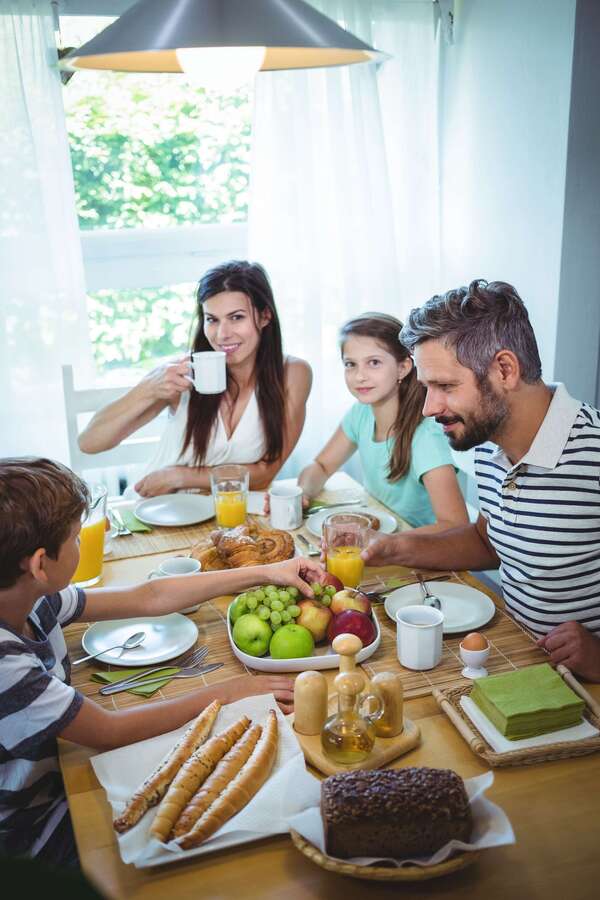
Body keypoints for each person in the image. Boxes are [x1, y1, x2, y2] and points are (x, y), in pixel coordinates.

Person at [0, 457, 325, 864]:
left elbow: (149, 596)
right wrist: (230, 692)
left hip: (57, 776)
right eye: (76, 538)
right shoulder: (7, 665)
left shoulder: (33, 599)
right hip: (32, 829)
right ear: (39, 564)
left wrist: (267, 572)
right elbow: (110, 730)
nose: (81, 544)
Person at [362, 280, 600, 682]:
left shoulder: (593, 456)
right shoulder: (488, 442)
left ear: (505, 370)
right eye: (426, 388)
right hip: (522, 662)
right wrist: (398, 547)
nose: (428, 407)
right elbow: (488, 543)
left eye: (445, 386)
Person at [78, 261, 312, 495]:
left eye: (236, 317)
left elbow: (266, 473)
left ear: (265, 316)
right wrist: (148, 389)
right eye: (212, 319)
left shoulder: (293, 374)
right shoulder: (182, 373)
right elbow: (89, 442)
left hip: (228, 512)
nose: (222, 334)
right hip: (156, 507)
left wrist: (179, 476)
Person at [297, 313, 468, 530]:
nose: (360, 376)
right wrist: (302, 493)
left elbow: (455, 526)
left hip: (420, 545)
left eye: (374, 363)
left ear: (403, 368)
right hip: (380, 537)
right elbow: (322, 466)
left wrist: (384, 543)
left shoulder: (426, 435)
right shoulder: (361, 413)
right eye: (350, 364)